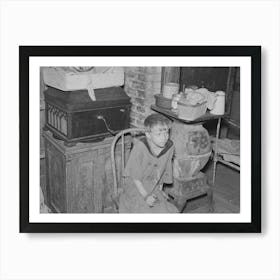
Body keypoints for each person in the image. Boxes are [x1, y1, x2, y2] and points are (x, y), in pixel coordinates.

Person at [119, 113, 179, 213]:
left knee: (166, 211)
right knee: (145, 211)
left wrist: (159, 189)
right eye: (159, 134)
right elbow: (135, 177)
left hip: (152, 184)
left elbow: (164, 170)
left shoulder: (169, 147)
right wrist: (146, 196)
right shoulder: (140, 147)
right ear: (148, 135)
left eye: (166, 132)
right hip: (136, 186)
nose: (164, 137)